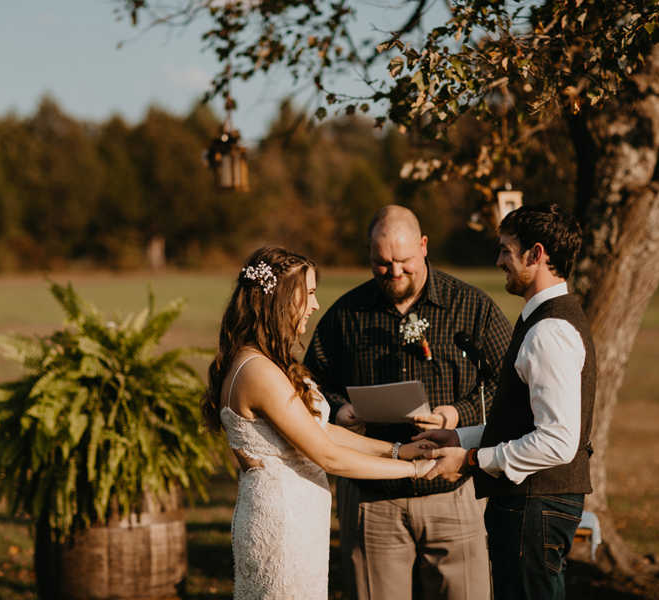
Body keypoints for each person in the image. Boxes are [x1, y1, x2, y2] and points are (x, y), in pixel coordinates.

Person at [202, 246, 438, 600]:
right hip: (280, 525)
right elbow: (328, 456)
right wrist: (417, 471)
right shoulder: (258, 371)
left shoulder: (267, 361)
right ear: (281, 298)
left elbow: (321, 430)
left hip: (298, 518)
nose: (314, 305)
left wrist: (399, 451)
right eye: (309, 293)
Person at [304, 205, 512, 600]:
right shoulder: (345, 315)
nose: (394, 272)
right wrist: (339, 409)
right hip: (372, 495)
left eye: (403, 261)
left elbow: (508, 384)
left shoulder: (472, 307)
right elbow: (311, 383)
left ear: (424, 246)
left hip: (453, 488)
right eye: (381, 264)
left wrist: (457, 413)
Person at [417, 203, 596, 600]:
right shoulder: (545, 321)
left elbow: (557, 441)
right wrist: (460, 438)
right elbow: (525, 424)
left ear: (536, 254)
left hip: (535, 509)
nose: (499, 260)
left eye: (506, 250)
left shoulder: (549, 330)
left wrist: (471, 460)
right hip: (533, 508)